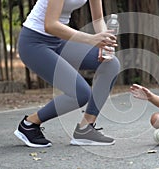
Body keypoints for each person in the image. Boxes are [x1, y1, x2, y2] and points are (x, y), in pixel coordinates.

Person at [14, 0, 120, 148]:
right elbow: (50, 25)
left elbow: (98, 19)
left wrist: (104, 40)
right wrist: (91, 39)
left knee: (111, 63)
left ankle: (85, 129)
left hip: (59, 41)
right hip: (34, 43)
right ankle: (29, 124)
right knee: (80, 93)